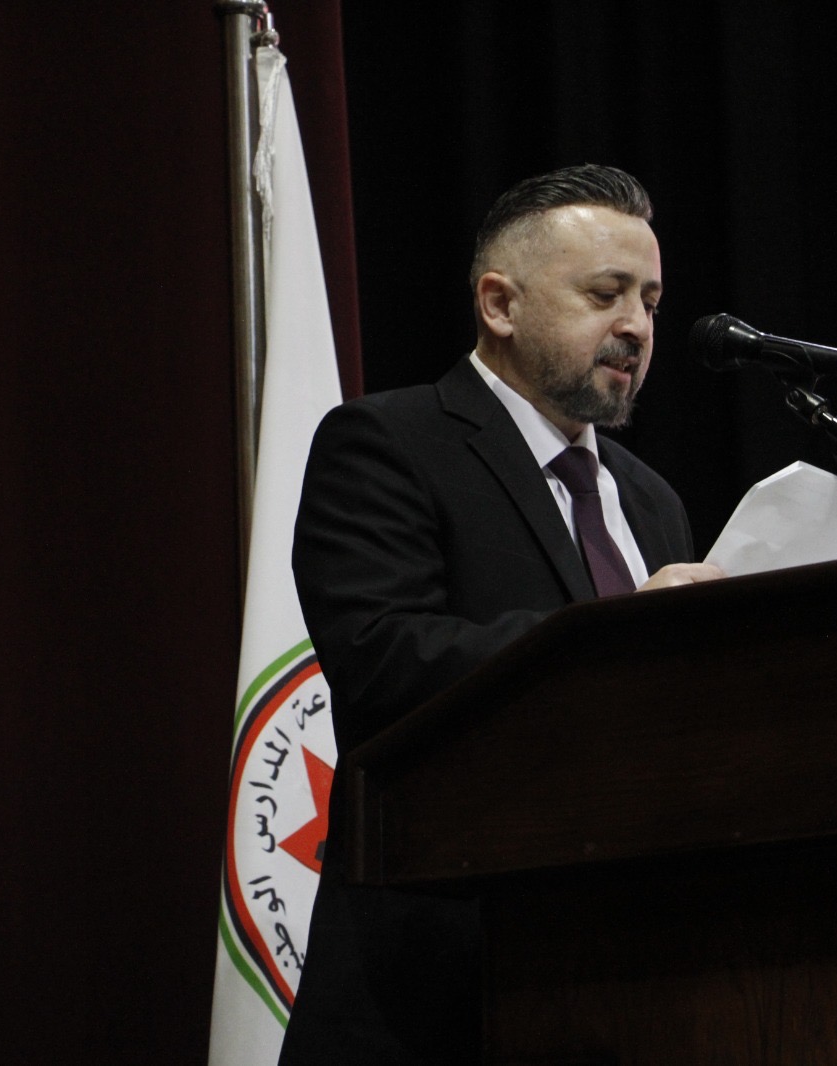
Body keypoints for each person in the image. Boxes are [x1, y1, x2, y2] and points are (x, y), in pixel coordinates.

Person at [280, 164, 724, 1064]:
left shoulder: (651, 500)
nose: (636, 327)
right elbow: (384, 655)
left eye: (650, 302)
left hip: (636, 974)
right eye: (605, 294)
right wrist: (618, 638)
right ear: (499, 304)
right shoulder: (388, 444)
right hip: (439, 977)